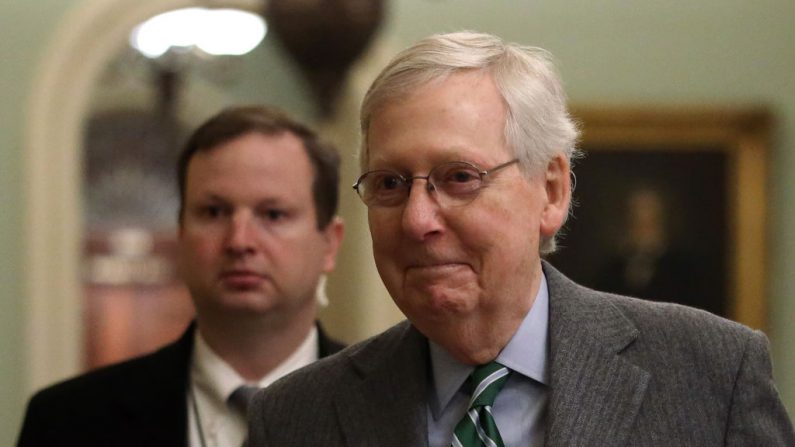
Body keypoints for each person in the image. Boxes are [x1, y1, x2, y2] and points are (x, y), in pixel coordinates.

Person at [247, 31, 795, 446]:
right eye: (390, 184)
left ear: (551, 192)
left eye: (459, 177)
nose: (417, 220)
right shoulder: (297, 417)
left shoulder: (711, 374)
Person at [18, 105, 346, 446]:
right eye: (214, 212)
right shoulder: (66, 421)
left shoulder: (392, 408)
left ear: (329, 244)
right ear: (181, 235)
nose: (240, 241)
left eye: (274, 214)